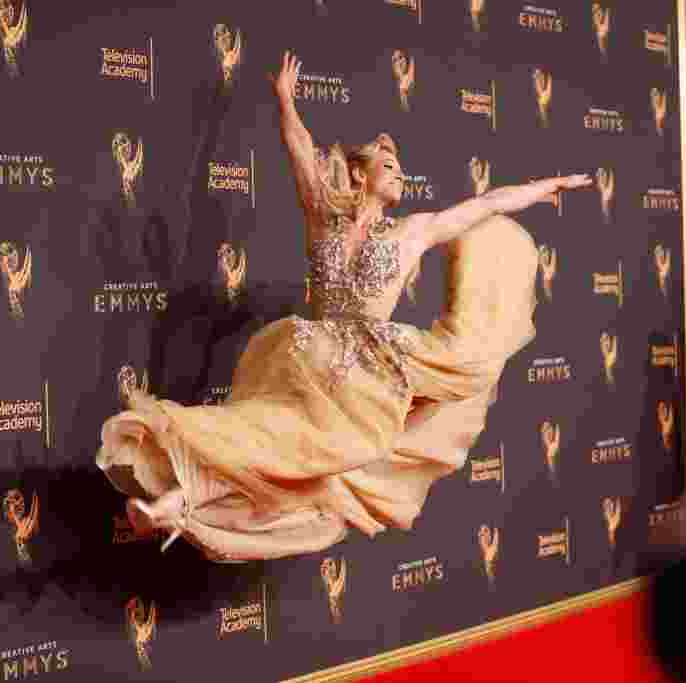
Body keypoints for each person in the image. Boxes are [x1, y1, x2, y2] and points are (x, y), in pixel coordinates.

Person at [95, 52, 592, 562]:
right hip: (309, 359)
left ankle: (175, 505)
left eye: (400, 168)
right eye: (389, 165)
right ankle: (178, 502)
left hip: (365, 377)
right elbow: (299, 149)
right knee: (262, 443)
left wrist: (543, 189)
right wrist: (286, 100)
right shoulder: (322, 218)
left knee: (296, 464)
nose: (400, 175)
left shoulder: (410, 233)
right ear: (358, 175)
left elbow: (482, 206)